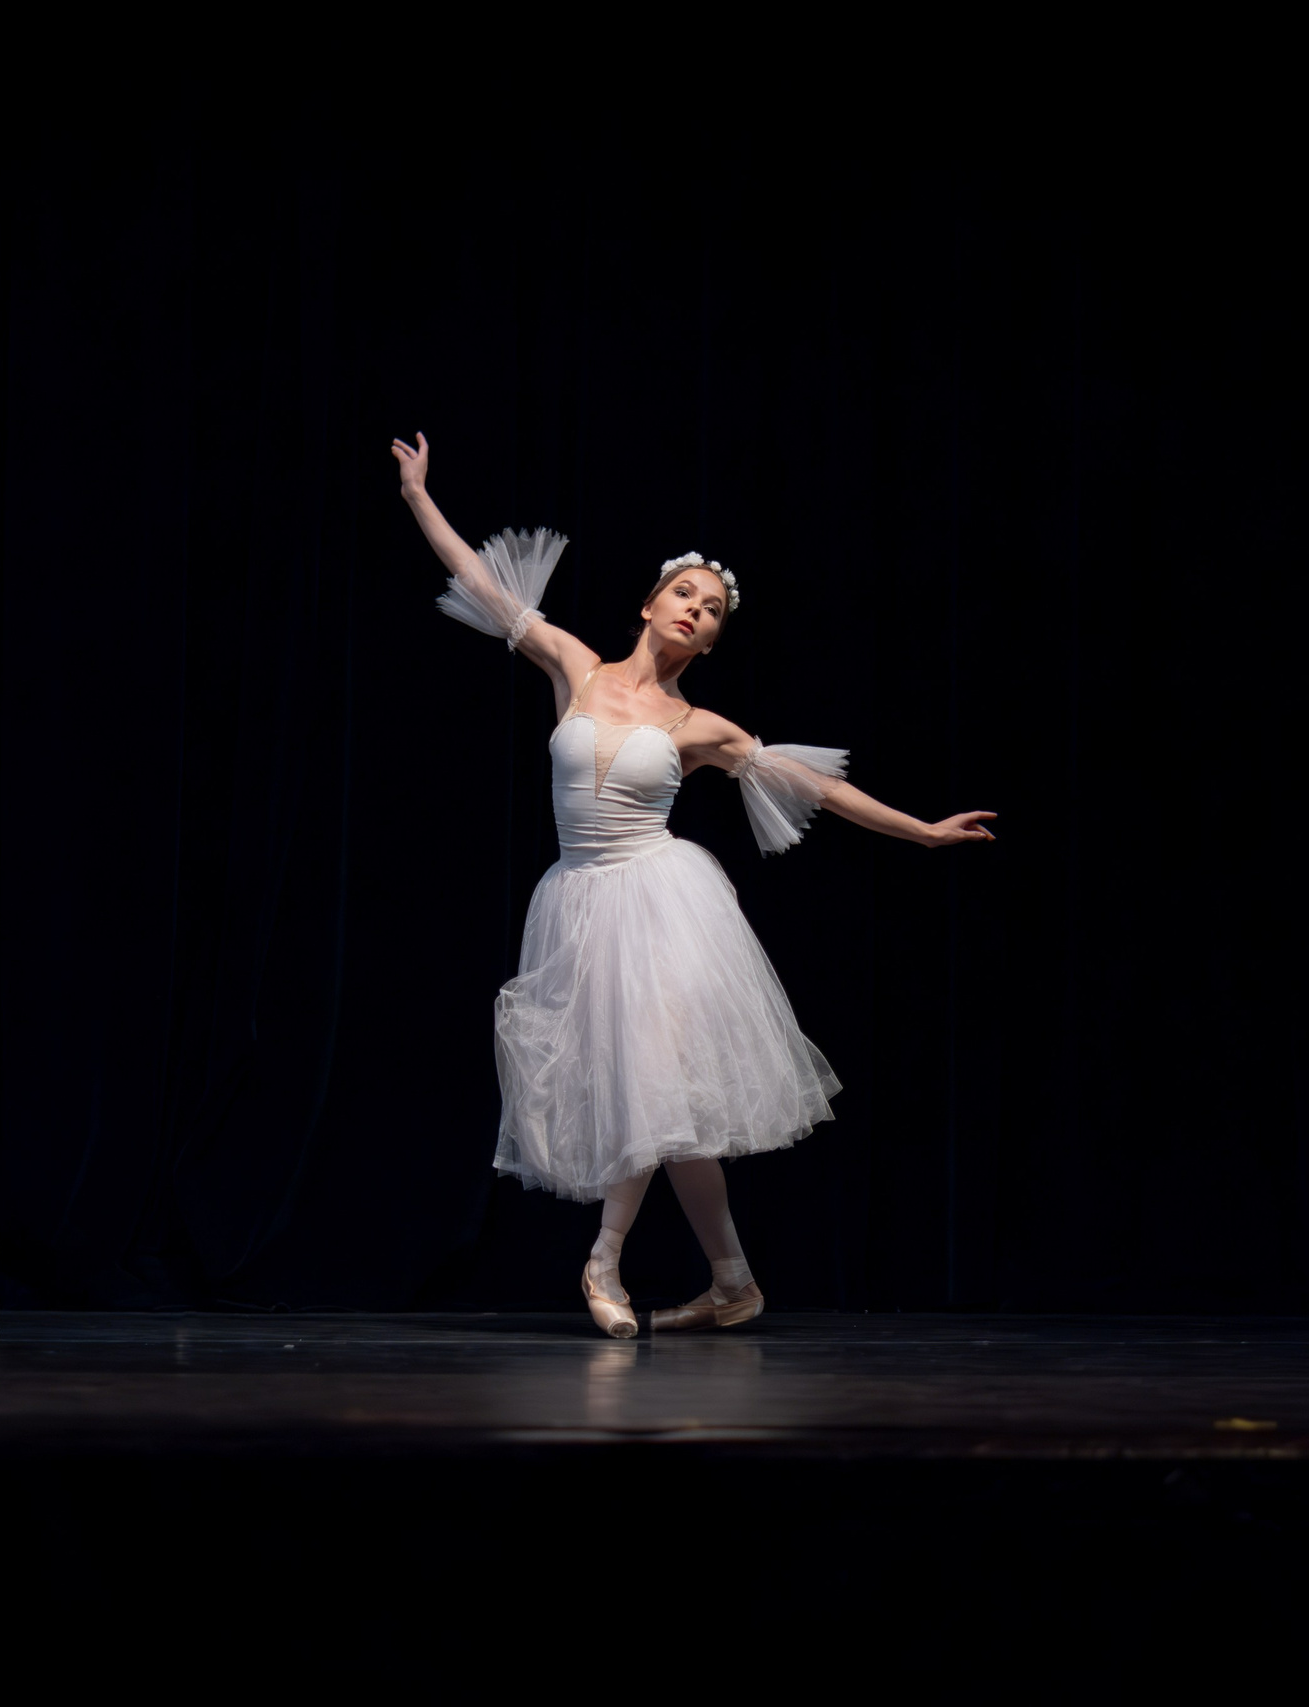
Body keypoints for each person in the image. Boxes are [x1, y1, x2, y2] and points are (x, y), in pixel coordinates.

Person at [393, 432, 995, 1337]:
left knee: (653, 1085)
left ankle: (603, 1260)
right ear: (648, 604)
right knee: (661, 1105)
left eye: (713, 610)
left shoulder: (700, 725)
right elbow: (482, 582)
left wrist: (921, 830)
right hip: (578, 898)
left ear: (711, 639)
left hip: (659, 901)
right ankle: (734, 1282)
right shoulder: (576, 667)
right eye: (686, 594)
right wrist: (415, 494)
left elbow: (817, 787)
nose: (697, 611)